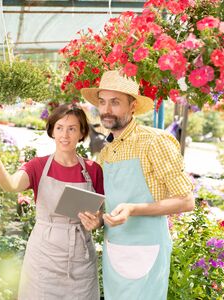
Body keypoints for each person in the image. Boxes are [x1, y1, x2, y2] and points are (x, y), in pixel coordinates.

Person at [79, 70, 195, 300]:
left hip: (147, 248)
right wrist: (100, 219)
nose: (106, 110)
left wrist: (134, 209)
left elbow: (187, 200)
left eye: (115, 103)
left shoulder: (154, 141)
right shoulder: (106, 151)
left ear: (132, 106)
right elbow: (110, 205)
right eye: (102, 102)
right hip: (115, 249)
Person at [0, 104, 104, 299]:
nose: (65, 135)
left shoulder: (93, 169)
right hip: (44, 256)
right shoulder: (38, 166)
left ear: (82, 132)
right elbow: (10, 184)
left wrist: (98, 221)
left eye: (72, 129)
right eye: (59, 127)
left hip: (81, 258)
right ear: (52, 130)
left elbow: (101, 212)